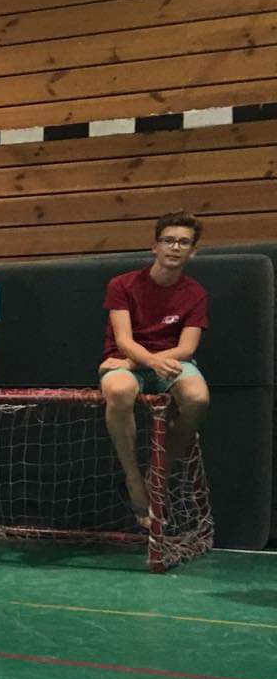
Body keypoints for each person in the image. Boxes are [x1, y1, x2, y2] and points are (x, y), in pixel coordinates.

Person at [101, 212, 210, 516]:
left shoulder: (196, 294)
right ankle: (133, 479)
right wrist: (144, 362)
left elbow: (187, 348)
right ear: (155, 246)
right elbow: (124, 341)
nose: (175, 247)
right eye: (169, 240)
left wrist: (144, 364)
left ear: (193, 251)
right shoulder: (122, 285)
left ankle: (158, 471)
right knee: (119, 390)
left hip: (169, 362)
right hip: (126, 359)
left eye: (184, 242)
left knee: (197, 398)